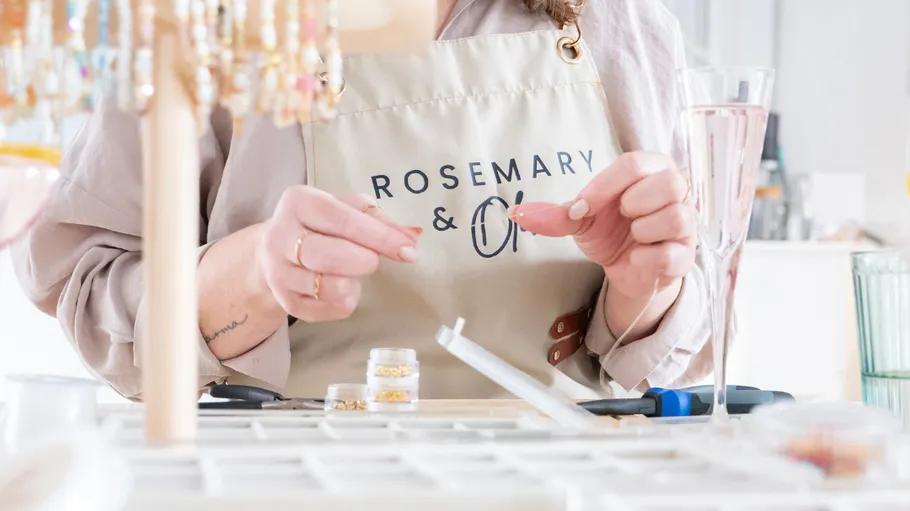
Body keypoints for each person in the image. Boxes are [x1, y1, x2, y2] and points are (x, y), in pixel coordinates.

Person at [11, 0, 712, 401]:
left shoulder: (624, 26)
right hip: (290, 484)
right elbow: (94, 295)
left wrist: (644, 288)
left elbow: (693, 339)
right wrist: (253, 274)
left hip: (561, 478)